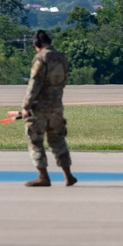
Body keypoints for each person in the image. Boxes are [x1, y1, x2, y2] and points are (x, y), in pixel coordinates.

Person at [20, 29, 77, 187]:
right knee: (58, 139)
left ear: (37, 44)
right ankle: (68, 175)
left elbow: (35, 83)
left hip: (40, 107)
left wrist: (26, 106)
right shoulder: (61, 57)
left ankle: (43, 176)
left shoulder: (40, 57)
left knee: (35, 140)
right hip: (57, 105)